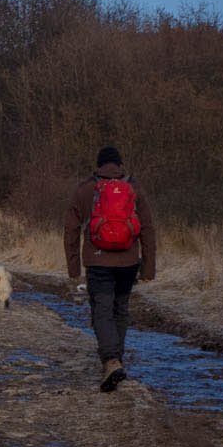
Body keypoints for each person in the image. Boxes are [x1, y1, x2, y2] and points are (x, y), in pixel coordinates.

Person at [64, 146, 156, 392]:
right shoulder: (133, 187)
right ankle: (116, 360)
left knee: (102, 311)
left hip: (98, 259)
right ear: (119, 164)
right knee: (120, 309)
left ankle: (111, 361)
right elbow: (146, 228)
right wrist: (148, 268)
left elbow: (71, 228)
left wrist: (73, 266)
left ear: (99, 165)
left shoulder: (86, 189)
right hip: (128, 261)